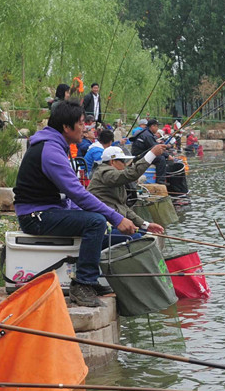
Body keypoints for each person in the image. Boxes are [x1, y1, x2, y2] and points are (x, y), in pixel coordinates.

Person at [13, 100, 138, 307]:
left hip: (49, 210)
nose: (85, 128)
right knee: (96, 222)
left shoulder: (54, 146)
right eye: (81, 123)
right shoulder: (50, 151)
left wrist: (136, 224)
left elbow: (73, 197)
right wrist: (115, 218)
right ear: (66, 127)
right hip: (35, 216)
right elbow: (78, 193)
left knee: (100, 225)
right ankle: (82, 284)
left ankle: (91, 278)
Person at [88, 146, 166, 243]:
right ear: (112, 162)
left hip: (112, 223)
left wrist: (146, 225)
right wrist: (152, 154)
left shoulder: (113, 177)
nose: (125, 164)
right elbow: (130, 174)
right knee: (135, 237)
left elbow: (122, 207)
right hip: (102, 228)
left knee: (143, 232)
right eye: (122, 161)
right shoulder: (105, 173)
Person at [130, 119, 170, 185]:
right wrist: (168, 155)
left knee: (162, 156)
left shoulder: (146, 132)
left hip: (140, 154)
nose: (157, 129)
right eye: (157, 126)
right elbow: (156, 148)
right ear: (152, 126)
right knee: (161, 159)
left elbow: (152, 145)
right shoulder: (147, 135)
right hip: (139, 156)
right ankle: (160, 180)